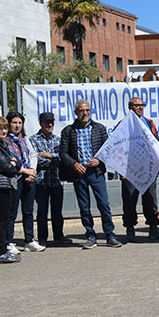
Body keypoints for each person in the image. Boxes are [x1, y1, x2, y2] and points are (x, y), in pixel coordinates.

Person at [59, 99, 123, 249]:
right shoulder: (68, 131)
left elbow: (107, 149)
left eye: (87, 110)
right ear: (76, 112)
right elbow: (63, 153)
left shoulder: (99, 128)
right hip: (79, 173)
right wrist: (74, 164)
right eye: (82, 110)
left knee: (104, 204)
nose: (85, 113)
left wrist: (99, 160)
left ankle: (110, 235)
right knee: (84, 207)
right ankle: (90, 235)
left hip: (96, 172)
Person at [0, 115, 36, 263]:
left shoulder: (1, 144)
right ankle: (1, 252)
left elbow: (16, 161)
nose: (3, 131)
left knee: (5, 218)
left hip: (6, 184)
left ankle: (4, 251)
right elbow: (7, 166)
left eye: (5, 128)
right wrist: (14, 165)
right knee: (1, 221)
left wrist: (15, 164)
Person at [120, 97, 159, 242]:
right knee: (129, 201)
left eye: (141, 105)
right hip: (130, 170)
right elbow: (118, 146)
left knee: (150, 200)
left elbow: (156, 143)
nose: (139, 108)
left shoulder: (149, 123)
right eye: (136, 105)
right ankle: (130, 228)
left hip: (148, 169)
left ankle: (153, 227)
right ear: (129, 108)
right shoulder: (123, 124)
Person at [29, 112, 68, 245]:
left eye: (51, 122)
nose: (50, 124)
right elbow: (37, 159)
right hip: (41, 182)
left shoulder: (58, 139)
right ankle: (42, 238)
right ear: (41, 123)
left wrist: (49, 156)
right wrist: (53, 158)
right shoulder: (33, 140)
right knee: (42, 211)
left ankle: (59, 235)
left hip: (56, 180)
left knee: (57, 211)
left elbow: (63, 157)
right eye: (46, 122)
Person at [5, 111, 42, 252]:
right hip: (15, 179)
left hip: (28, 179)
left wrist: (32, 170)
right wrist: (24, 171)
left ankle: (29, 240)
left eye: (20, 123)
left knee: (28, 211)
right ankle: (9, 242)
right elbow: (10, 161)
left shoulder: (24, 139)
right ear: (9, 124)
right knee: (11, 212)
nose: (17, 125)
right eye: (14, 122)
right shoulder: (5, 141)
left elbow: (32, 155)